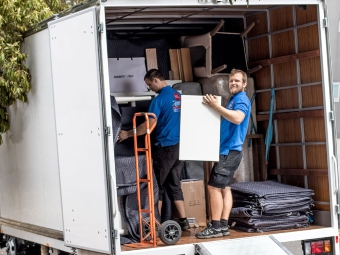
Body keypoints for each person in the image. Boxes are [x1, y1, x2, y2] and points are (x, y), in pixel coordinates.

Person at [117, 69, 190, 231]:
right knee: (174, 185)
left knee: (156, 185)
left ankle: (155, 223)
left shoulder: (159, 100)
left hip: (164, 148)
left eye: (149, 84)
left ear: (156, 80)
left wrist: (128, 133)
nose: (149, 88)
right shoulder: (178, 96)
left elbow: (148, 126)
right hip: (180, 147)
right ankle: (184, 221)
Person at [195, 69, 251, 239]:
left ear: (244, 84)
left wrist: (216, 106)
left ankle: (216, 226)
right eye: (231, 81)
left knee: (213, 188)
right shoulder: (234, 99)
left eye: (237, 81)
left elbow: (238, 118)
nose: (233, 83)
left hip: (229, 152)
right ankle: (224, 226)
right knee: (225, 189)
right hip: (229, 151)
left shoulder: (241, 99)